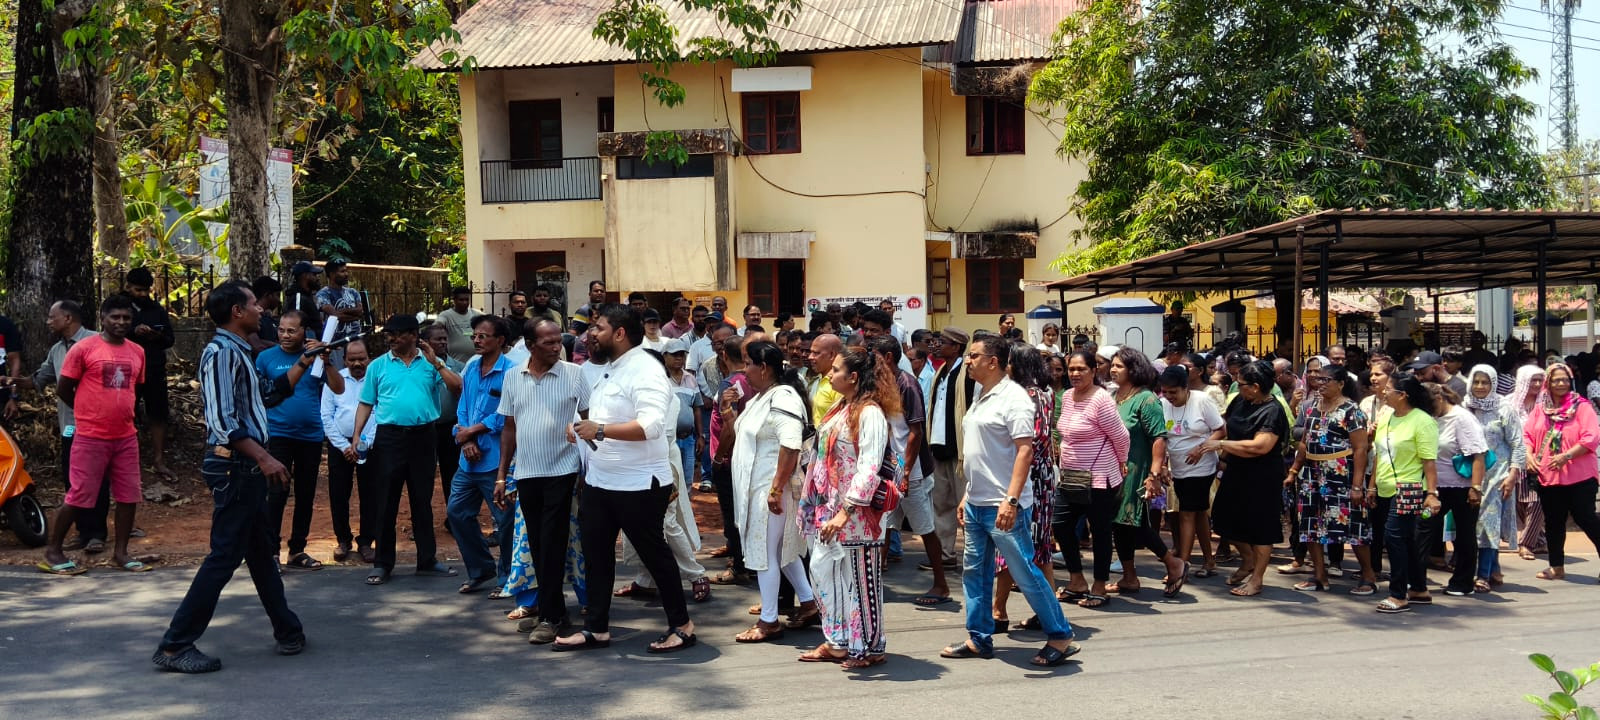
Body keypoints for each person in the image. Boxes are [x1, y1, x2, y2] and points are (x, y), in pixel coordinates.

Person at [154, 281, 304, 673]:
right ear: (237, 312)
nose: (262, 309)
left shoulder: (240, 351)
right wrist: (265, 458)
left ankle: (288, 629)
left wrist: (306, 362)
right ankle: (174, 646)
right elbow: (223, 421)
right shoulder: (221, 353)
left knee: (259, 551)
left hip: (245, 466)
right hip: (235, 466)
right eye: (254, 304)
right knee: (224, 555)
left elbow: (267, 395)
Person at [555, 305, 698, 653]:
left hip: (639, 485)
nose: (591, 334)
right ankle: (596, 629)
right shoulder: (608, 370)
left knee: (655, 555)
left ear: (619, 333)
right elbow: (600, 417)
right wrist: (580, 429)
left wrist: (599, 429)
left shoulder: (646, 370)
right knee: (596, 556)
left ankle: (682, 625)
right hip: (601, 482)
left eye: (598, 328)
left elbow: (650, 427)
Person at [939, 336, 1080, 666]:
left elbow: (1025, 451)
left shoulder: (1014, 398)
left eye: (974, 356)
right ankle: (979, 637)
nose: (968, 361)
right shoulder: (982, 395)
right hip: (977, 500)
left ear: (993, 361)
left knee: (1025, 572)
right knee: (975, 573)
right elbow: (980, 452)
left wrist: (1011, 500)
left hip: (1004, 504)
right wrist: (966, 495)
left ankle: (1060, 634)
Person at [797, 347, 897, 668]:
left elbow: (869, 468)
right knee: (824, 572)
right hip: (830, 509)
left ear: (853, 377)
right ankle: (838, 641)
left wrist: (845, 511)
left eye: (836, 369)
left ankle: (868, 646)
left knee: (859, 579)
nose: (829, 374)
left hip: (858, 515)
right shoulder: (842, 408)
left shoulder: (870, 413)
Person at [36, 293, 147, 576]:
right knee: (80, 495)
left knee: (128, 495)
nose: (121, 322)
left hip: (125, 436)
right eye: (115, 317)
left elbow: (136, 389)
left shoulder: (137, 351)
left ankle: (121, 554)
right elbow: (64, 388)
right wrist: (87, 411)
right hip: (90, 435)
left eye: (126, 318)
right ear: (103, 319)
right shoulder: (84, 349)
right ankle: (53, 551)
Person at [495, 318, 590, 643]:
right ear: (530, 346)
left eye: (558, 341)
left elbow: (590, 422)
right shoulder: (513, 377)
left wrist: (586, 471)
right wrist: (501, 475)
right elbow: (509, 428)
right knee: (537, 545)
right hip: (526, 474)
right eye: (548, 342)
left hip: (562, 472)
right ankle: (552, 610)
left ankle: (553, 618)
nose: (556, 347)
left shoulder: (575, 375)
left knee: (552, 542)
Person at [352, 313, 463, 585]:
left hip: (424, 437)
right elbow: (366, 403)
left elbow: (456, 387)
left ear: (413, 335)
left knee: (421, 500)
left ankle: (427, 560)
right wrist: (356, 435)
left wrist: (435, 362)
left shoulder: (430, 364)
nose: (391, 338)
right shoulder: (378, 366)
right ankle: (382, 564)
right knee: (386, 501)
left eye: (397, 334)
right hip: (390, 438)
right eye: (389, 334)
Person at [727, 340, 818, 642]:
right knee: (781, 551)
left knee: (765, 553)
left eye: (747, 363)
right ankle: (808, 603)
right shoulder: (761, 398)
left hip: (772, 492)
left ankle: (769, 621)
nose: (744, 370)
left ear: (763, 367)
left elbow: (790, 444)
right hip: (759, 490)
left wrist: (776, 489)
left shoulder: (784, 397)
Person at [10, 301, 107, 553]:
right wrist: (13, 381)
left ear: (67, 317)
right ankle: (84, 532)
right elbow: (39, 380)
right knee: (73, 479)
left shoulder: (97, 342)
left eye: (52, 317)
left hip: (99, 426)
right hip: (71, 426)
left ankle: (97, 533)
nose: (48, 321)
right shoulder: (56, 350)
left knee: (97, 479)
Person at [255, 310, 342, 571]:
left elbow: (339, 388)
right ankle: (270, 552)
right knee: (276, 493)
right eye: (281, 329)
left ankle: (297, 550)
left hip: (311, 436)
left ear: (305, 332)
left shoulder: (317, 358)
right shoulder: (265, 358)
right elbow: (262, 394)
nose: (284, 335)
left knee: (305, 494)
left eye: (291, 330)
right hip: (278, 435)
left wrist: (326, 360)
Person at [988, 344, 1063, 626]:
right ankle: (1046, 611)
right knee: (1038, 546)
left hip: (1026, 479)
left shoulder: (1024, 396)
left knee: (1012, 545)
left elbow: (1027, 443)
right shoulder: (1046, 394)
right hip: (1041, 477)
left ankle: (999, 610)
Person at [1201, 360, 1290, 599]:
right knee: (1222, 517)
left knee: (1261, 528)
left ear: (1256, 386)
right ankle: (1248, 559)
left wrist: (1220, 445)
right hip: (1236, 469)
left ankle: (1257, 579)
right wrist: (1222, 454)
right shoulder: (1240, 401)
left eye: (1241, 385)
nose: (1237, 388)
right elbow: (1228, 427)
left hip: (1263, 475)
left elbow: (1261, 446)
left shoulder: (1272, 410)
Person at [1284, 364, 1375, 594]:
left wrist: (1357, 486)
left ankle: (1368, 575)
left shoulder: (1351, 411)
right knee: (1310, 524)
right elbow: (1304, 441)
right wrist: (1294, 470)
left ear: (1341, 384)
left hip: (1340, 474)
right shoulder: (1313, 406)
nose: (1320, 384)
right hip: (1311, 474)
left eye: (1326, 380)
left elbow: (1361, 449)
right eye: (1318, 380)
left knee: (1353, 525)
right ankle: (1319, 575)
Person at [869, 336, 945, 605]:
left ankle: (941, 584)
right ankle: (874, 584)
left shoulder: (907, 384)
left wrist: (906, 471)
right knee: (884, 526)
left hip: (909, 471)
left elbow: (915, 432)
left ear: (888, 358)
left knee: (924, 527)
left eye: (876, 356)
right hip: (889, 467)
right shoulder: (881, 383)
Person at [1107, 347, 1187, 596]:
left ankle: (1174, 563)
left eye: (1119, 366)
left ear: (1133, 369)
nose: (1113, 369)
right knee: (1119, 524)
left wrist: (1153, 475)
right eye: (1113, 365)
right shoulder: (1114, 396)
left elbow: (1159, 439)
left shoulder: (1147, 399)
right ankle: (1129, 578)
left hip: (1137, 471)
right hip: (1114, 470)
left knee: (1136, 523)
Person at [1054, 349, 1130, 608]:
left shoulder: (1101, 400)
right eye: (1071, 369)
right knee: (1061, 525)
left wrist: (1121, 462)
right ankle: (1077, 580)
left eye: (1081, 369)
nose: (1075, 374)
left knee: (1100, 532)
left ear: (1094, 371)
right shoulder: (1066, 396)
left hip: (1099, 478)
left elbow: (1121, 437)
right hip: (1070, 477)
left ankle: (1099, 585)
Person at [447, 315, 514, 594]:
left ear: (500, 341)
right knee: (457, 512)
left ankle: (508, 579)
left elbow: (505, 416)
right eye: (475, 335)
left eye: (483, 336)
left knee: (505, 521)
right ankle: (480, 568)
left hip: (496, 460)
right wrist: (465, 439)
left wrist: (470, 432)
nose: (476, 340)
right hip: (468, 459)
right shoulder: (472, 367)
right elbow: (463, 405)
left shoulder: (511, 372)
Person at [1522, 362, 1600, 583]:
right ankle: (1556, 567)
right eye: (1556, 379)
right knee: (1554, 522)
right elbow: (1527, 435)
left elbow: (1591, 438)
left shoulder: (1582, 406)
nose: (1561, 383)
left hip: (1580, 475)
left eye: (1565, 379)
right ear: (1548, 382)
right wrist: (1528, 455)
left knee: (1586, 519)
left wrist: (1566, 456)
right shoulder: (1541, 409)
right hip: (1549, 476)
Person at [1369, 372, 1439, 613]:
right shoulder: (1387, 416)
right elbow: (1379, 452)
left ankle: (1398, 594)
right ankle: (1419, 588)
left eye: (1389, 388)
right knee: (1406, 540)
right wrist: (1372, 485)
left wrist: (1432, 493)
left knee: (1394, 538)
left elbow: (1429, 461)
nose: (1384, 391)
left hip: (1409, 487)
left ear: (1403, 395)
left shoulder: (1422, 421)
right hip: (1385, 486)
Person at [1156, 365, 1224, 580]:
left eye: (1173, 392)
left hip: (1202, 466)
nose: (1169, 397)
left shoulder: (1201, 400)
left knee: (1186, 513)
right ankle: (1209, 560)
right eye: (1165, 392)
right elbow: (1162, 437)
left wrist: (1201, 448)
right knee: (1199, 513)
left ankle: (1181, 565)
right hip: (1178, 466)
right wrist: (1164, 465)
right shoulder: (1163, 404)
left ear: (1185, 388)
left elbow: (1220, 430)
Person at [1422, 382, 1485, 596]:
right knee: (1423, 528)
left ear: (1439, 399)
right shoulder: (1431, 418)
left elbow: (1478, 454)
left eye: (1429, 406)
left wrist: (1475, 488)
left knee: (1465, 535)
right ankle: (1416, 578)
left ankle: (1463, 582)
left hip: (1462, 487)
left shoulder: (1462, 418)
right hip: (1435, 488)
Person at [1464, 365, 1524, 592]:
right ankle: (1495, 568)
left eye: (1485, 382)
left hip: (1497, 474)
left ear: (1493, 384)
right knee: (1472, 524)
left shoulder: (1504, 409)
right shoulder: (1464, 407)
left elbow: (1518, 444)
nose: (1480, 387)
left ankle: (1483, 575)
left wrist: (1512, 475)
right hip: (1468, 474)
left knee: (1489, 522)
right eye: (1476, 382)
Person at [320, 338, 377, 563]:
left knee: (370, 494)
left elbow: (380, 413)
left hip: (369, 445)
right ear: (344, 360)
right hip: (339, 446)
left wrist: (364, 443)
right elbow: (326, 416)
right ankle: (343, 540)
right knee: (338, 494)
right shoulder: (334, 380)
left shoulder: (375, 379)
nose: (357, 363)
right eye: (352, 359)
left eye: (361, 359)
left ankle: (366, 542)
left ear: (368, 358)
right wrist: (345, 446)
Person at [925, 327, 973, 572]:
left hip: (960, 449)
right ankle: (945, 553)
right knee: (941, 503)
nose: (937, 345)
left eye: (942, 342)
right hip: (939, 446)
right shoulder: (941, 371)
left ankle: (973, 554)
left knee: (964, 504)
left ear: (956, 347)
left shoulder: (968, 373)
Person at [707, 334, 753, 583]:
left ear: (724, 355)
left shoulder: (731, 385)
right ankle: (747, 560)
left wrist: (719, 457)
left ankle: (739, 566)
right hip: (747, 458)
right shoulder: (754, 382)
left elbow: (730, 426)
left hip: (730, 459)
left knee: (733, 513)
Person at [125, 267, 176, 479]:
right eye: (138, 290)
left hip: (154, 368)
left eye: (146, 290)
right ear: (127, 287)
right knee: (126, 414)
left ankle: (158, 460)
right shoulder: (117, 306)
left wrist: (156, 336)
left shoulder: (157, 309)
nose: (143, 294)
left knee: (158, 414)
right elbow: (108, 332)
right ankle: (127, 461)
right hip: (126, 370)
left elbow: (170, 339)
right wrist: (133, 332)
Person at [1507, 365, 1548, 560]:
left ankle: (1526, 543)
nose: (1538, 384)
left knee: (1537, 501)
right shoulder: (1509, 404)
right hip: (1514, 461)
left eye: (1541, 380)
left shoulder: (1548, 404)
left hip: (1541, 463)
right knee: (1519, 503)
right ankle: (1539, 540)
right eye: (1533, 380)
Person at [423, 324, 468, 501]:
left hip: (450, 426)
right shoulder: (418, 366)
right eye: (438, 339)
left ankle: (453, 518)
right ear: (426, 342)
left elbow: (460, 390)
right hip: (426, 428)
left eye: (444, 339)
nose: (443, 342)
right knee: (424, 474)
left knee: (452, 474)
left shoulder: (458, 366)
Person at [806, 333, 846, 425]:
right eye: (811, 352)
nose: (810, 357)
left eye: (816, 353)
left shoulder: (839, 384)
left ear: (832, 355)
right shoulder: (816, 380)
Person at [435, 286, 480, 363]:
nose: (464, 302)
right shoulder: (446, 315)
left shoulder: (475, 314)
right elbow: (436, 327)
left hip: (476, 361)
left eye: (467, 300)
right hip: (456, 363)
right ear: (454, 300)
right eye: (461, 300)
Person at [284, 261, 324, 331]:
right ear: (305, 275)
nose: (317, 278)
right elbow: (295, 325)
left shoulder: (307, 296)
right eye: (314, 274)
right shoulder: (298, 298)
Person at [249, 276, 283, 354]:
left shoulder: (268, 317)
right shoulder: (251, 318)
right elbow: (256, 345)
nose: (279, 300)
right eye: (277, 295)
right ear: (268, 295)